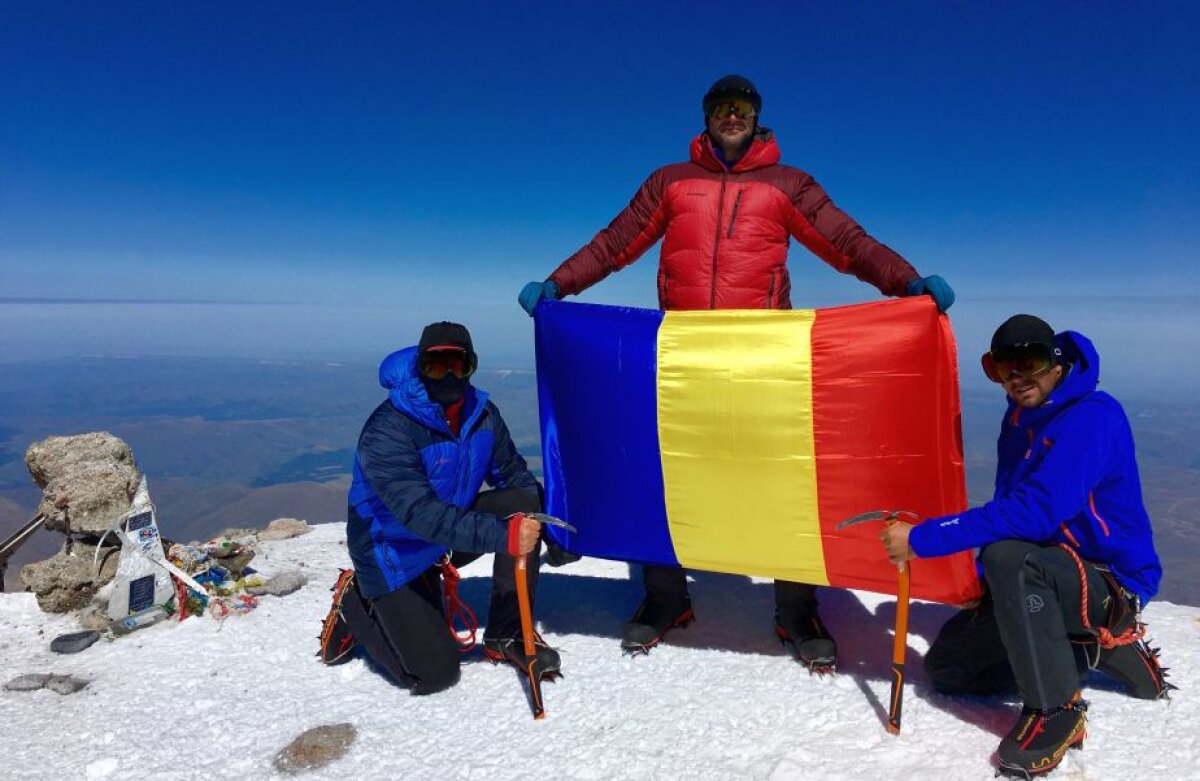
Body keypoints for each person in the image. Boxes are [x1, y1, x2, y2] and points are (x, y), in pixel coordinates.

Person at [517, 74, 955, 668]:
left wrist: (905, 281)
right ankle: (665, 599)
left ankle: (796, 609)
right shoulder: (671, 181)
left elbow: (845, 241)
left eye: (742, 107)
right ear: (706, 117)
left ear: (757, 117)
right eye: (721, 107)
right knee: (664, 469)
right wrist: (558, 283)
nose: (732, 115)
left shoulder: (788, 184)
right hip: (684, 352)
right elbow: (616, 243)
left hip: (762, 355)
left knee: (782, 476)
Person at [880, 314, 1169, 778]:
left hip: (1108, 578)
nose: (1016, 377)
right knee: (949, 670)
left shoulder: (1093, 417)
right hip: (1048, 571)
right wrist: (981, 581)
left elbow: (1037, 512)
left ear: (1056, 363)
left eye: (1029, 363)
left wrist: (922, 539)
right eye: (1002, 368)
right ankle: (1088, 648)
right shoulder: (1020, 416)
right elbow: (1010, 505)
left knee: (1006, 557)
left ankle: (1058, 711)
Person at [318, 321, 559, 694]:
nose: (448, 375)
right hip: (391, 553)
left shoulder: (483, 414)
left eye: (457, 365)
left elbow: (515, 478)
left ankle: (507, 635)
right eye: (435, 365)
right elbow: (419, 514)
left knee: (522, 504)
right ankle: (356, 601)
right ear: (419, 368)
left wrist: (551, 531)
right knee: (435, 674)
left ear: (472, 365)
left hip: (442, 542)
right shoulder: (390, 428)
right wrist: (505, 534)